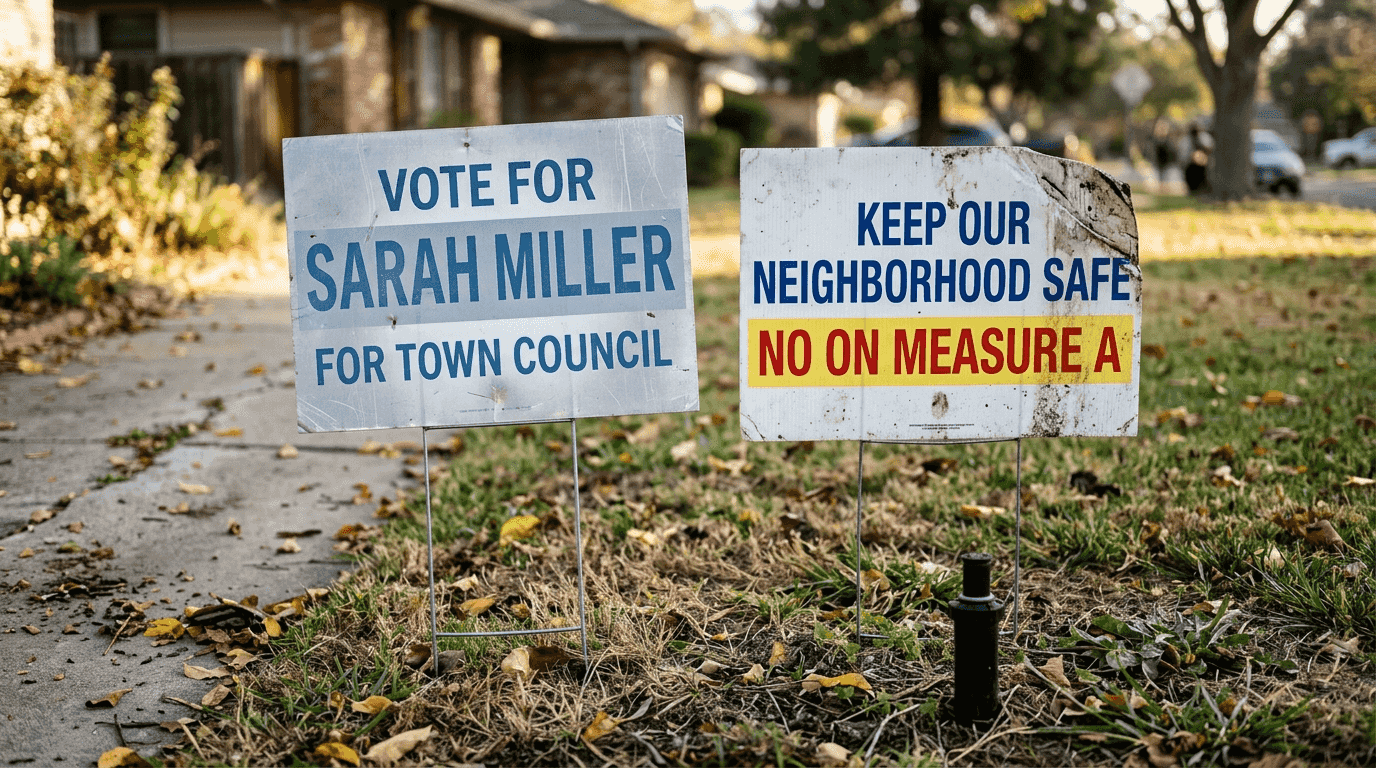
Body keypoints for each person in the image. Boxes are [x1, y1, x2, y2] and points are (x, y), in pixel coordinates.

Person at [1184, 123, 1211, 194]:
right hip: (1191, 167)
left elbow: (1210, 150)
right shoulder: (1186, 140)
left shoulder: (1205, 137)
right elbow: (1184, 158)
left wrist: (1203, 157)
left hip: (1205, 165)